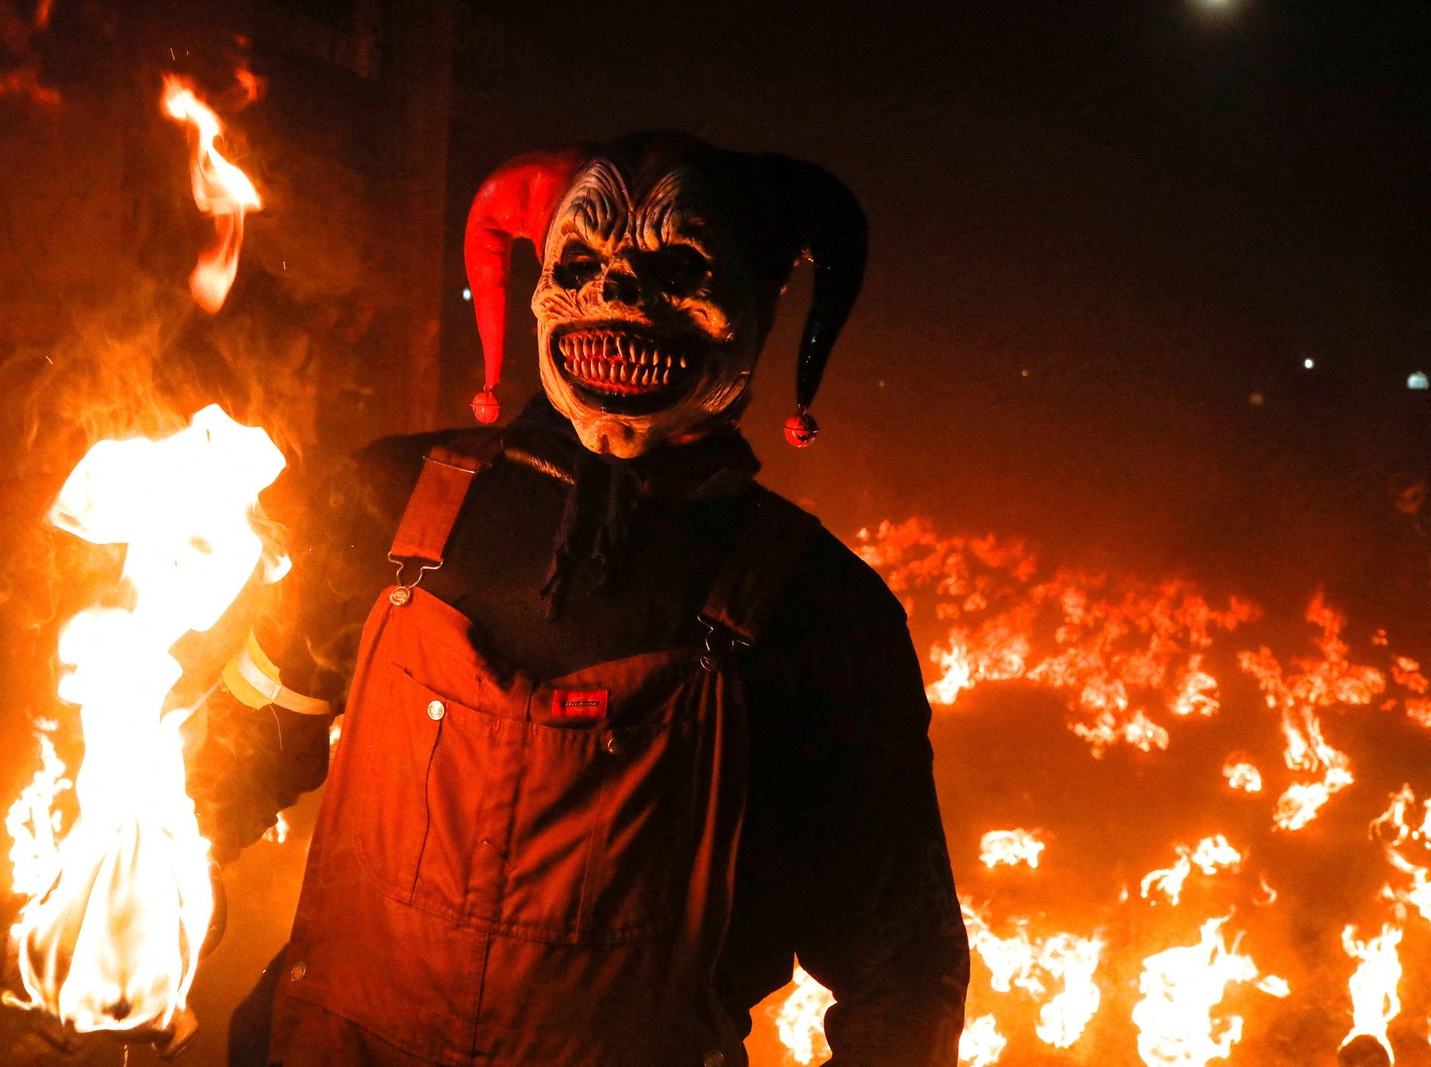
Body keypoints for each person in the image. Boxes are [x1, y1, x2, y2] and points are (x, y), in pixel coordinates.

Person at [194, 131, 970, 1067]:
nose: (616, 296)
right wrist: (100, 878)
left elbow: (901, 974)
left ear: (762, 301)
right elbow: (232, 764)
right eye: (581, 262)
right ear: (534, 287)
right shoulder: (387, 499)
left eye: (681, 266)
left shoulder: (819, 612)